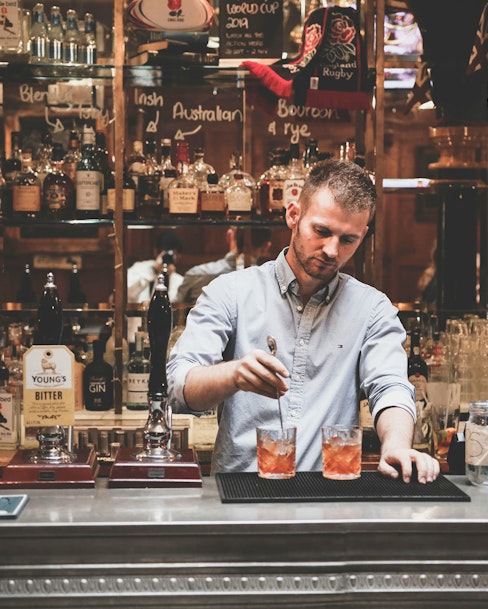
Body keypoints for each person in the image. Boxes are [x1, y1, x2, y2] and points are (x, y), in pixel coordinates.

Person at [167, 159, 440, 484]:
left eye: (348, 240)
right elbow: (177, 387)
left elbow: (391, 387)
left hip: (329, 502)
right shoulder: (232, 292)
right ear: (293, 214)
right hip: (240, 502)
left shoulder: (372, 309)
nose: (331, 250)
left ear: (364, 235)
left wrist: (395, 445)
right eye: (321, 231)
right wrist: (234, 374)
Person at [174, 226, 272, 304]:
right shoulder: (269, 284)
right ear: (266, 247)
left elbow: (174, 313)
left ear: (229, 236)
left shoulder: (195, 274)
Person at [127, 230, 184, 342]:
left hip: (168, 339)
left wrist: (169, 275)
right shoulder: (139, 269)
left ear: (179, 256)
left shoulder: (179, 281)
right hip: (136, 337)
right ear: (155, 251)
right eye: (163, 252)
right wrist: (153, 271)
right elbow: (127, 293)